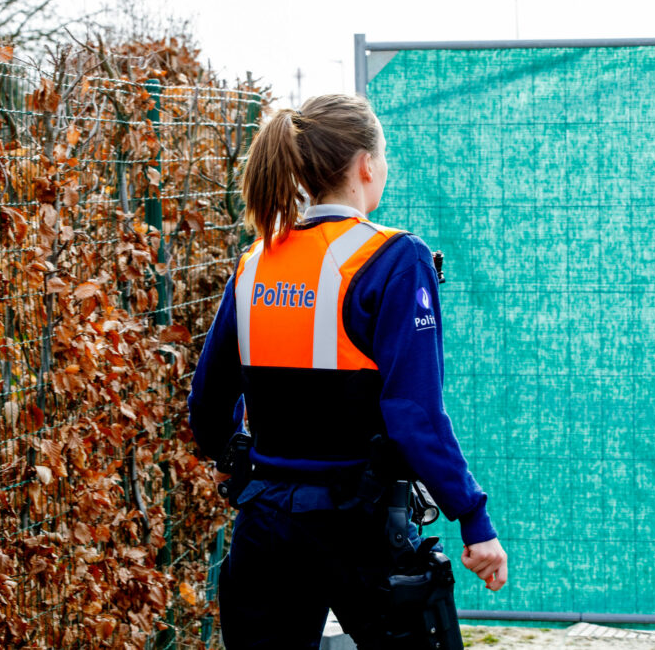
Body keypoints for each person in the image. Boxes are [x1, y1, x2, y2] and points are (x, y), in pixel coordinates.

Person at [187, 94, 508, 649]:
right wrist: (473, 520)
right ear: (365, 165)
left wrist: (238, 463)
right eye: (384, 157)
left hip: (264, 523)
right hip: (359, 525)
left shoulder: (255, 262)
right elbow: (415, 417)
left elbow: (207, 405)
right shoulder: (394, 259)